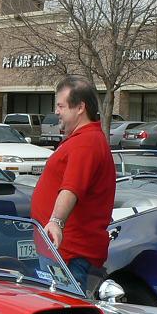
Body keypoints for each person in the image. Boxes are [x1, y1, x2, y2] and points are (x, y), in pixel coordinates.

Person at [31, 76, 116, 292]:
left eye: (61, 106)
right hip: (60, 250)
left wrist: (56, 222)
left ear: (80, 108)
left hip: (69, 253)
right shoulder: (81, 139)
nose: (57, 112)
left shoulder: (86, 143)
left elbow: (71, 188)